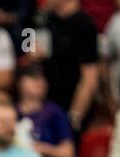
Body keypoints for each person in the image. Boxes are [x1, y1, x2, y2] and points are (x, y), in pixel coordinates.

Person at [29, 0, 101, 131]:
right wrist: (30, 51)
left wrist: (75, 116)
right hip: (44, 105)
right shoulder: (42, 18)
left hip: (70, 104)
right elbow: (27, 50)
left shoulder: (85, 24)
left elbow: (89, 79)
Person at [16, 65, 76, 157]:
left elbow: (68, 154)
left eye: (43, 78)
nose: (40, 82)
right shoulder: (10, 113)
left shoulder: (55, 113)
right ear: (19, 83)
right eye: (33, 77)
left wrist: (42, 149)